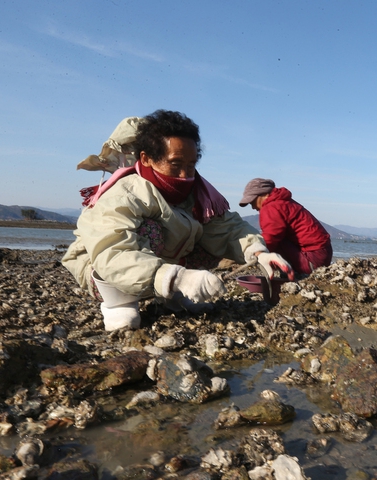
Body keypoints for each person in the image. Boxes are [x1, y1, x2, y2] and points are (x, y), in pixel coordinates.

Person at [62, 110, 294, 331]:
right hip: (102, 270)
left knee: (207, 231)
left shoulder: (199, 194)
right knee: (150, 229)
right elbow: (112, 250)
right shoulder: (125, 193)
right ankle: (119, 303)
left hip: (162, 268)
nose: (185, 175)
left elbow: (227, 228)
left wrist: (259, 252)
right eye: (175, 164)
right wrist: (179, 277)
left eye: (191, 165)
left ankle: (174, 294)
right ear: (147, 158)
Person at [239, 178, 333, 276]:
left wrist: (257, 254)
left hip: (312, 261)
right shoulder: (285, 202)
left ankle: (289, 272)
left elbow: (271, 237)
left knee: (268, 242)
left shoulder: (271, 207)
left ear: (264, 194)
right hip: (323, 256)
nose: (253, 207)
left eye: (252, 202)